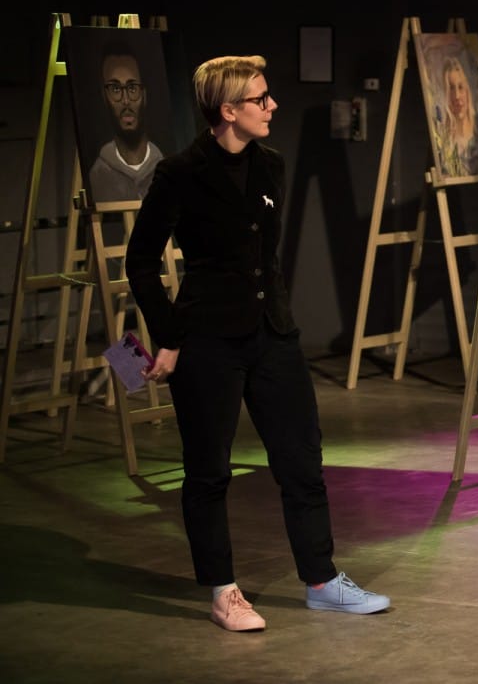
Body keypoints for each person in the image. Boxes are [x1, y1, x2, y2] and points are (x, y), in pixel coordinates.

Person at [126, 55, 390, 632]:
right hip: (208, 340)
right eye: (260, 98)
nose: (273, 105)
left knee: (302, 461)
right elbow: (140, 262)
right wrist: (169, 336)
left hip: (273, 334)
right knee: (208, 471)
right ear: (227, 110)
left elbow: (262, 257)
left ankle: (321, 580)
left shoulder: (271, 164)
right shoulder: (180, 173)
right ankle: (223, 590)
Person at [90, 40, 164, 202]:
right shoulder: (98, 175)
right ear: (104, 96)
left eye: (132, 88)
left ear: (144, 94)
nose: (126, 101)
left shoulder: (166, 168)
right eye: (115, 89)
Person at [435, 57, 478, 177]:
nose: (457, 96)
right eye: (451, 88)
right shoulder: (443, 139)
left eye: (460, 87)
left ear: (467, 91)